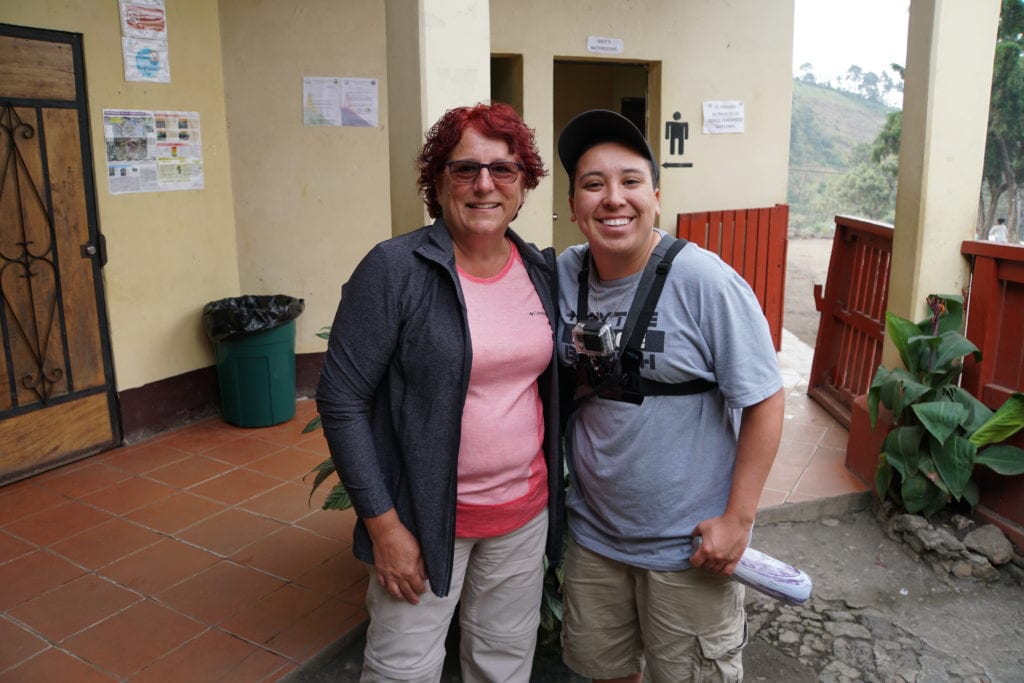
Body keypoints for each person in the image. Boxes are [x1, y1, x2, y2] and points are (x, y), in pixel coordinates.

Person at [316, 102, 563, 682]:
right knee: (404, 668)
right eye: (464, 169)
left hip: (523, 516)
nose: (484, 185)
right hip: (424, 522)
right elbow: (342, 400)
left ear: (524, 184)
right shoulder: (395, 269)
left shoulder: (539, 270)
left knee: (503, 663)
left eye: (503, 170)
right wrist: (385, 528)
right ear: (437, 181)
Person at [554, 109, 785, 682]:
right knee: (606, 673)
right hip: (595, 541)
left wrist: (739, 520)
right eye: (593, 184)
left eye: (630, 182)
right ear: (573, 204)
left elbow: (765, 401)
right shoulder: (564, 275)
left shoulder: (706, 283)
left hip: (689, 549)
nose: (614, 199)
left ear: (656, 196)